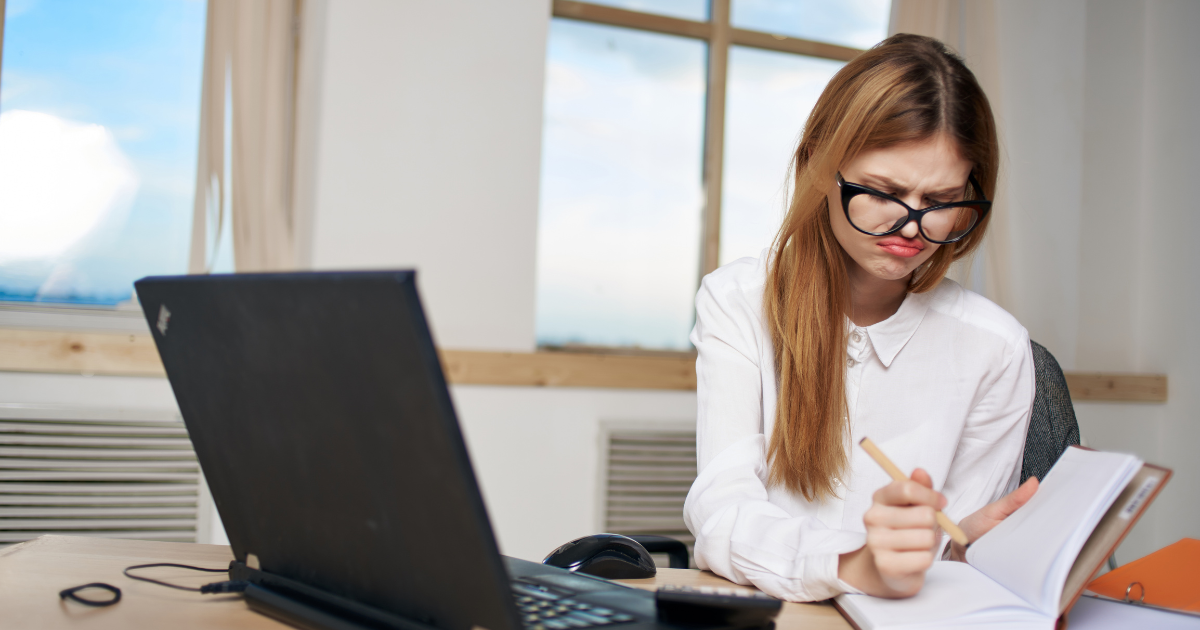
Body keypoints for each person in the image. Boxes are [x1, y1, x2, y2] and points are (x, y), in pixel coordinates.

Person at [683, 33, 1040, 602]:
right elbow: (722, 513)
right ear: (819, 169)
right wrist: (852, 565)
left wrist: (966, 543)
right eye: (883, 191)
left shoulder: (996, 347)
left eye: (942, 201)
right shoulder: (739, 300)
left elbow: (947, 550)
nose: (912, 227)